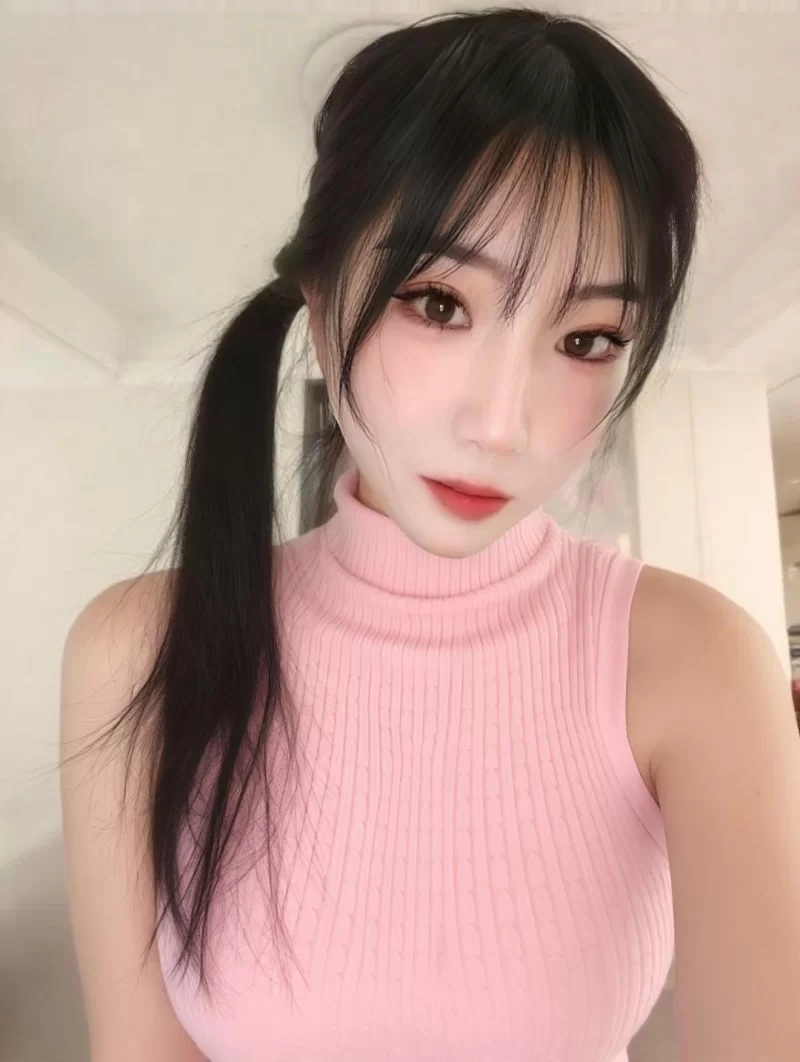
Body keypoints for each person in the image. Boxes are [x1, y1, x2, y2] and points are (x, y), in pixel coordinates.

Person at [59, 8, 800, 1062]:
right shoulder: (136, 648)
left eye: (587, 338)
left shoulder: (698, 665)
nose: (502, 424)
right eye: (439, 303)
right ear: (321, 301)